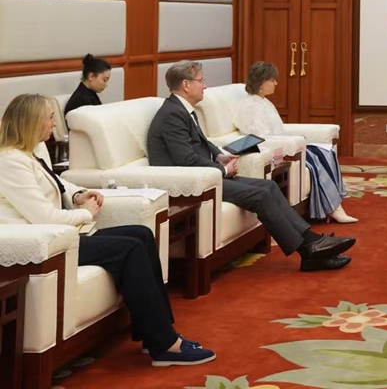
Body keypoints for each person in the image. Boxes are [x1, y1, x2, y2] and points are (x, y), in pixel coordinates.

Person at [0, 94, 215, 367]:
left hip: (63, 238)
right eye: (50, 118)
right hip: (45, 246)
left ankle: (156, 334)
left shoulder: (29, 153)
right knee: (131, 248)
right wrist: (85, 213)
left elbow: (57, 183)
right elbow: (43, 216)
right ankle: (164, 344)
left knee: (141, 234)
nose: (54, 124)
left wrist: (78, 194)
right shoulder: (10, 162)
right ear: (31, 122)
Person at [146, 61, 354, 271]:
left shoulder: (182, 110)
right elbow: (185, 159)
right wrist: (224, 170)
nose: (205, 86)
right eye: (201, 81)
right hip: (193, 183)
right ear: (186, 84)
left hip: (207, 175)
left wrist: (219, 156)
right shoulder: (172, 114)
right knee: (260, 195)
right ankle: (309, 250)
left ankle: (311, 241)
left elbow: (202, 142)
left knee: (269, 186)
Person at [234, 62, 356, 224]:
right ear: (261, 83)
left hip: (283, 144)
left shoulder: (264, 102)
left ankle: (334, 206)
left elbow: (278, 129)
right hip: (272, 150)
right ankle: (333, 209)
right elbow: (258, 137)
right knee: (315, 158)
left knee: (324, 152)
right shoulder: (250, 106)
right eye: (272, 80)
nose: (276, 83)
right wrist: (290, 143)